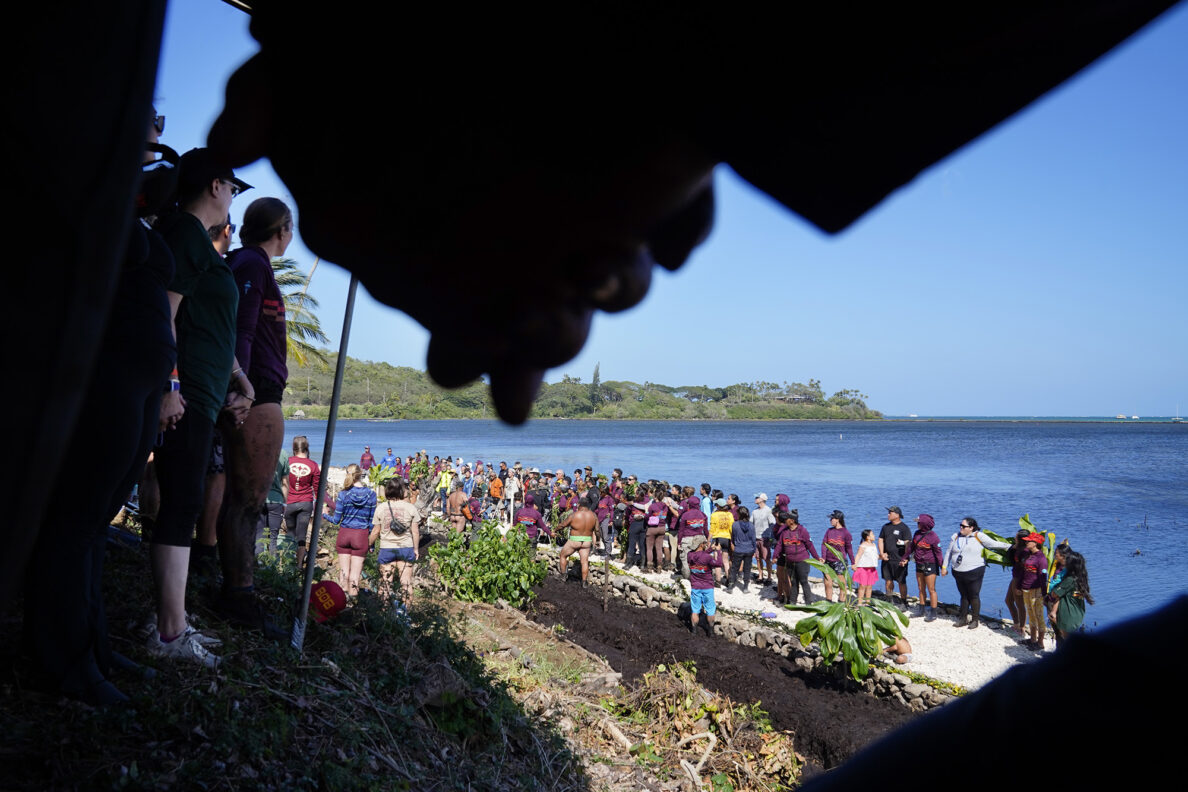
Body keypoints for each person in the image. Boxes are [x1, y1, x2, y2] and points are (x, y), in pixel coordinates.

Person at [145, 148, 251, 668]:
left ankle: (172, 620)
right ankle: (169, 631)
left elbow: (210, 324)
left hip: (201, 393)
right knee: (182, 503)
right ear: (215, 186)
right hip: (182, 394)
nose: (233, 198)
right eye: (233, 187)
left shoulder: (198, 244)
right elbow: (162, 313)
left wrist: (240, 380)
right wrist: (169, 384)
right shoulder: (185, 235)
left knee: (184, 502)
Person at [216, 197, 294, 636]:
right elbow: (240, 328)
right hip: (256, 394)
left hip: (257, 390)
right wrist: (241, 385)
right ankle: (239, 595)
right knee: (248, 501)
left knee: (243, 499)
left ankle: (238, 590)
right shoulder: (251, 264)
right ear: (281, 229)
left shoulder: (248, 262)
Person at [940, 517, 1010, 629]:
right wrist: (944, 566)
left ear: (971, 528)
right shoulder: (956, 536)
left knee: (973, 595)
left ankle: (975, 620)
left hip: (975, 571)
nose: (961, 528)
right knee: (963, 595)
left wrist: (1009, 546)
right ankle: (962, 619)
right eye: (960, 525)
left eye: (964, 526)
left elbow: (993, 544)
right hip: (957, 571)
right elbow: (949, 552)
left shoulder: (979, 536)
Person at [324, 463, 376, 597]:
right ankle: (353, 604)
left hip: (344, 534)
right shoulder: (371, 495)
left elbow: (336, 520)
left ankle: (342, 603)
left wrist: (324, 515)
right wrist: (372, 544)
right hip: (361, 535)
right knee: (355, 576)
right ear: (361, 475)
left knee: (344, 573)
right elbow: (371, 523)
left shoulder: (343, 494)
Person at [370, 478, 420, 609]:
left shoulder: (380, 508)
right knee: (406, 583)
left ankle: (384, 612)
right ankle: (406, 614)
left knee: (385, 583)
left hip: (387, 548)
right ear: (401, 491)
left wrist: (367, 544)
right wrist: (416, 549)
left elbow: (375, 531)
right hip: (406, 547)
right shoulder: (410, 508)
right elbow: (415, 532)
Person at [1046, 546, 1093, 648]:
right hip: (1078, 612)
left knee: (1067, 639)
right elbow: (1076, 594)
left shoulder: (1069, 580)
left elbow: (1055, 593)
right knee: (1071, 638)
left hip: (1067, 613)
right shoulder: (1081, 579)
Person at [285, 435, 321, 569]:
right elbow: (317, 488)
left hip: (290, 502)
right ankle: (299, 565)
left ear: (294, 448)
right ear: (307, 448)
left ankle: (287, 563)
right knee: (302, 536)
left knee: (290, 533)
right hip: (306, 503)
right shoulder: (313, 465)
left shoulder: (287, 462)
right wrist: (321, 506)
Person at [901, 514, 943, 621]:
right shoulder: (917, 534)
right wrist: (904, 558)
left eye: (919, 522)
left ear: (924, 524)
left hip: (930, 565)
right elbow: (911, 548)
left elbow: (938, 553)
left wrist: (942, 566)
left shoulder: (933, 536)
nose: (917, 524)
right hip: (919, 563)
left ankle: (933, 612)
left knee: (931, 589)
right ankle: (921, 610)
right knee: (920, 588)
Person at [775, 510, 819, 605]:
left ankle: (808, 602)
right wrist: (775, 556)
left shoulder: (803, 531)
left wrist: (817, 558)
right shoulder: (784, 532)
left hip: (802, 561)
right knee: (794, 582)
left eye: (786, 519)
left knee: (803, 581)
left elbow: (810, 546)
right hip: (790, 562)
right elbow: (779, 545)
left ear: (792, 520)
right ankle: (792, 602)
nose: (785, 520)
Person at [1017, 532, 1049, 650]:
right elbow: (1024, 572)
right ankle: (1032, 639)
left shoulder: (1041, 558)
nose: (1026, 542)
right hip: (1026, 589)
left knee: (1039, 616)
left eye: (1028, 541)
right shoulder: (1029, 555)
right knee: (1031, 614)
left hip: (1036, 591)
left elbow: (1043, 577)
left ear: (1035, 543)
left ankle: (1040, 643)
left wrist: (1044, 594)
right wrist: (1019, 586)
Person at [686, 537, 724, 637]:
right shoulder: (707, 558)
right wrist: (719, 551)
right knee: (710, 610)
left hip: (695, 587)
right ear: (701, 545)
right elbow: (719, 563)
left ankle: (694, 631)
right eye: (704, 543)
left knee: (695, 610)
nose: (706, 544)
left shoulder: (689, 555)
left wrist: (711, 549)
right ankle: (710, 631)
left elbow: (700, 556)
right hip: (707, 587)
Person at [559, 495, 597, 586]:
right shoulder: (593, 515)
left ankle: (564, 576)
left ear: (579, 504)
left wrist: (555, 530)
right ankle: (584, 582)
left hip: (574, 541)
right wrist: (598, 540)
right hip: (587, 541)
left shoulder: (574, 515)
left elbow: (563, 525)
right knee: (584, 562)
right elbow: (598, 530)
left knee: (563, 556)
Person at [878, 506, 911, 608]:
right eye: (888, 513)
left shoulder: (904, 528)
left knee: (901, 581)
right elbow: (880, 540)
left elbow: (908, 544)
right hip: (887, 558)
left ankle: (904, 602)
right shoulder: (885, 527)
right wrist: (882, 553)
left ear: (897, 515)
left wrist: (905, 558)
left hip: (899, 559)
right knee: (888, 580)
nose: (888, 515)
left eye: (890, 513)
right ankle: (889, 599)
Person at [820, 509, 854, 602]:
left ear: (837, 519)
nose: (830, 520)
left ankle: (842, 601)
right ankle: (828, 601)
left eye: (832, 519)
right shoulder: (829, 531)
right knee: (827, 582)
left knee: (841, 583)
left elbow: (849, 549)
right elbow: (824, 544)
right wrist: (823, 557)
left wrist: (853, 562)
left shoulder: (845, 533)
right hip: (828, 560)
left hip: (840, 561)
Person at [675, 496, 709, 581]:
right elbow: (705, 530)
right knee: (699, 560)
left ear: (689, 504)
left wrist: (679, 542)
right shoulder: (703, 515)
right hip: (700, 539)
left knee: (685, 559)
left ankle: (687, 577)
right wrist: (708, 540)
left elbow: (681, 530)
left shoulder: (685, 515)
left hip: (687, 539)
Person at [727, 506, 756, 592]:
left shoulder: (735, 524)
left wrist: (733, 546)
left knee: (734, 568)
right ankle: (745, 587)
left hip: (738, 549)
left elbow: (733, 538)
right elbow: (753, 539)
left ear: (739, 514)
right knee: (747, 569)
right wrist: (754, 550)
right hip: (749, 549)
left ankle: (730, 586)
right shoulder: (751, 525)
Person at [624, 486, 651, 570]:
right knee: (642, 545)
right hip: (644, 524)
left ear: (636, 495)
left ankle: (628, 564)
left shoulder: (633, 502)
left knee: (631, 544)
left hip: (634, 524)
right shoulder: (647, 502)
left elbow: (627, 513)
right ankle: (643, 564)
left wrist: (626, 520)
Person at [709, 497, 734, 582]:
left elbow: (712, 530)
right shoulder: (729, 515)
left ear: (718, 506)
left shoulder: (714, 515)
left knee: (717, 561)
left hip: (717, 538)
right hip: (727, 538)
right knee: (725, 560)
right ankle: (728, 579)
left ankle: (718, 580)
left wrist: (708, 540)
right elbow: (731, 528)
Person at [752, 493, 775, 586]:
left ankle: (769, 576)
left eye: (757, 497)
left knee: (767, 558)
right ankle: (760, 575)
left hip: (765, 538)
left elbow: (772, 524)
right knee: (758, 558)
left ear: (762, 499)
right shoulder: (754, 512)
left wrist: (771, 538)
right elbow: (751, 523)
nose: (755, 499)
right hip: (755, 537)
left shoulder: (768, 511)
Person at [644, 487, 669, 572]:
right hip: (662, 528)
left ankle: (650, 566)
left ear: (655, 497)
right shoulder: (665, 506)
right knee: (659, 548)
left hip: (652, 528)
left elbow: (647, 516)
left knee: (649, 548)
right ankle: (659, 566)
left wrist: (646, 513)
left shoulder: (652, 506)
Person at [853, 530, 879, 605]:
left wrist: (882, 556)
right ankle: (859, 602)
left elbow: (875, 556)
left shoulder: (874, 545)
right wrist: (854, 564)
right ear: (868, 537)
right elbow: (858, 555)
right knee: (862, 586)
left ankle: (868, 602)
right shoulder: (863, 545)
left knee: (870, 586)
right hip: (863, 568)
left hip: (872, 568)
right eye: (872, 534)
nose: (874, 535)